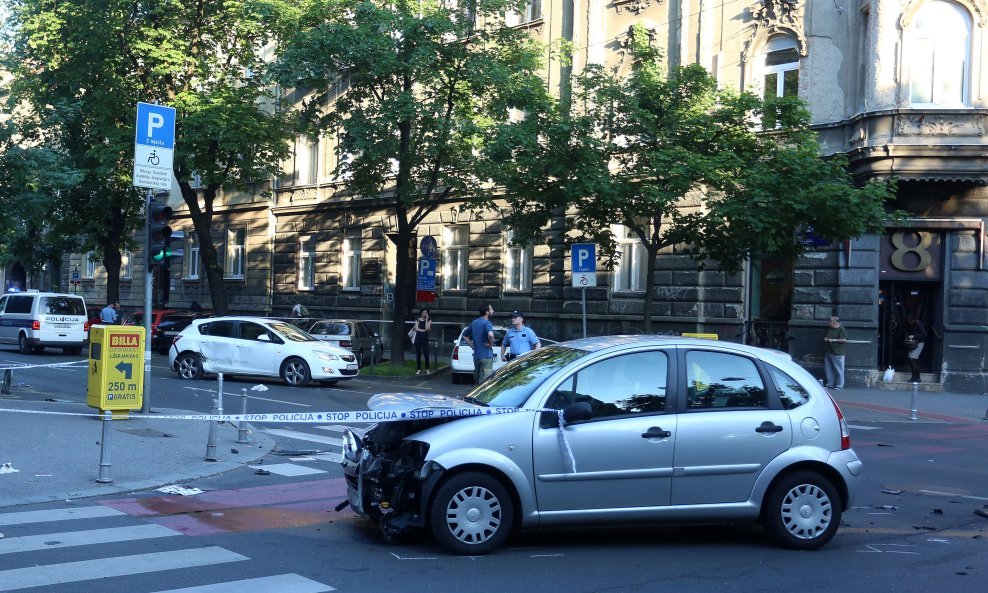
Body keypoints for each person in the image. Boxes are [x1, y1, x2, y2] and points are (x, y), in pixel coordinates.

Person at [466, 303, 495, 383]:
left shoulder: (474, 322)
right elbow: (491, 334)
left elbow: (465, 336)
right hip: (486, 356)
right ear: (487, 312)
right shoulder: (487, 323)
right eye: (491, 309)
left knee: (477, 381)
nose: (493, 310)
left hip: (477, 356)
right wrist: (491, 344)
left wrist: (472, 346)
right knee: (484, 383)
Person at [823, 315, 848, 390]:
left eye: (830, 321)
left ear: (835, 322)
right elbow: (829, 337)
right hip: (829, 351)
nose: (829, 322)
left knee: (839, 369)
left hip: (838, 352)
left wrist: (833, 340)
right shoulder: (830, 329)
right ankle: (830, 384)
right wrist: (827, 339)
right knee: (828, 369)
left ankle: (839, 385)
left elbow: (844, 340)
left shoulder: (841, 329)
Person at [905, 315, 927, 383]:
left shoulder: (918, 324)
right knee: (912, 360)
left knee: (912, 359)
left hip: (919, 343)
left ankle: (915, 377)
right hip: (912, 344)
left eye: (910, 321)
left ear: (913, 320)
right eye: (908, 321)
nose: (909, 323)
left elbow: (924, 334)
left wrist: (914, 336)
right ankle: (915, 377)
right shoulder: (911, 324)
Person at [413, 308, 432, 375]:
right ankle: (418, 369)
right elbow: (416, 328)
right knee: (418, 354)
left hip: (425, 339)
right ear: (421, 313)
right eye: (423, 313)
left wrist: (426, 319)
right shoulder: (417, 319)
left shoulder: (429, 320)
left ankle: (427, 369)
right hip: (418, 339)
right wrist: (423, 330)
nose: (424, 314)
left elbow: (427, 328)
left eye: (426, 313)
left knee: (426, 354)